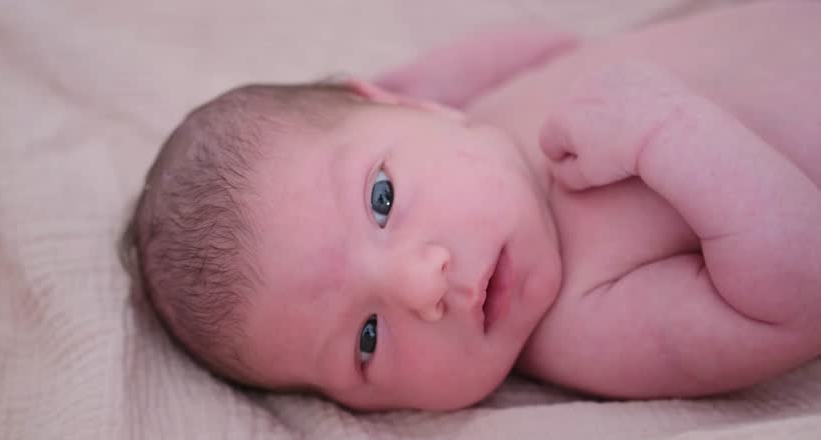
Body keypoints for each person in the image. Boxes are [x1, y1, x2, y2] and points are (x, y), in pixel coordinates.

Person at [122, 0, 821, 411]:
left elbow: (548, 44)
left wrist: (428, 90)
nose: (421, 286)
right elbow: (797, 295)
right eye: (368, 338)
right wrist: (669, 134)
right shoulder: (582, 322)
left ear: (401, 102)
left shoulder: (471, 117)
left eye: (383, 199)